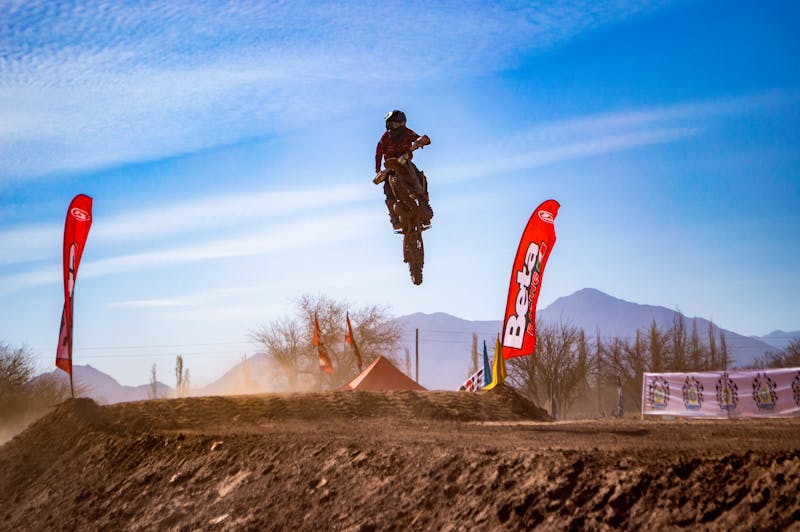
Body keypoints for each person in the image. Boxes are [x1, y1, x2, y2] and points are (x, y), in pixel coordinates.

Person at [375, 110, 433, 231]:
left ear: (402, 123)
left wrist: (423, 140)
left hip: (405, 161)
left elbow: (419, 138)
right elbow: (378, 152)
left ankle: (425, 207)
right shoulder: (385, 137)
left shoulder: (408, 133)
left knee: (421, 178)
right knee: (387, 190)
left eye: (394, 124)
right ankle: (394, 219)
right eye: (390, 124)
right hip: (390, 166)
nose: (392, 127)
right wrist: (378, 170)